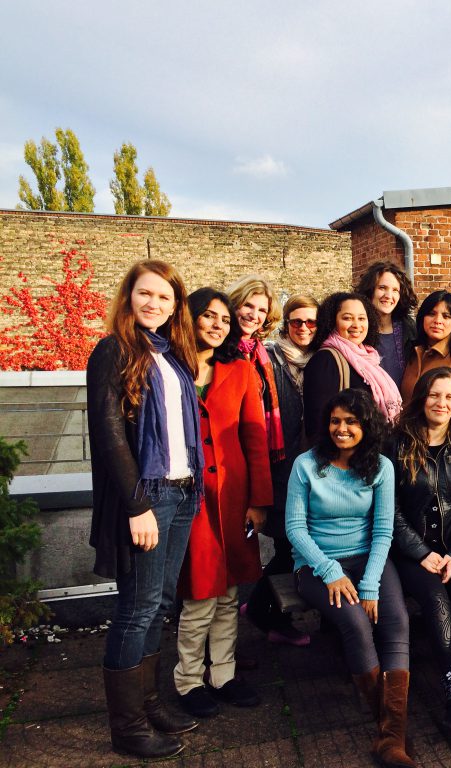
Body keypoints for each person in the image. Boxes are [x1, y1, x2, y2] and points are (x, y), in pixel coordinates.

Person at [87, 260, 202, 758]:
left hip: (180, 491)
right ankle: (127, 727)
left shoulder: (172, 355)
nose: (154, 304)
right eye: (145, 294)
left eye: (164, 297)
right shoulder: (113, 350)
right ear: (128, 296)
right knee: (136, 609)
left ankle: (150, 703)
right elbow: (109, 435)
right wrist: (137, 506)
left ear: (175, 306)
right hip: (147, 496)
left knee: (160, 604)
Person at [287, 389, 415, 768]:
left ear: (366, 426)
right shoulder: (306, 464)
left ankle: (390, 738)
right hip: (314, 563)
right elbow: (295, 528)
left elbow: (382, 531)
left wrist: (370, 583)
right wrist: (330, 572)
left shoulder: (380, 467)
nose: (341, 429)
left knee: (396, 620)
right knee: (357, 623)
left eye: (352, 422)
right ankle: (392, 731)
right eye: (335, 421)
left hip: (368, 558)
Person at [175, 288, 272, 717]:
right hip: (189, 500)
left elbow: (255, 437)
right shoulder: (169, 369)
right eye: (208, 317)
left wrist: (259, 500)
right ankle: (188, 680)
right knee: (199, 593)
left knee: (230, 592)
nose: (217, 325)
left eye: (223, 320)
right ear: (190, 319)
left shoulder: (239, 370)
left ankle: (224, 674)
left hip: (233, 498)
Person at [390, 368, 451, 738]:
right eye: (434, 395)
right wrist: (420, 552)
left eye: (449, 397)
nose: (442, 403)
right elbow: (390, 510)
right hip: (411, 553)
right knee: (437, 605)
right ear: (421, 398)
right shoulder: (397, 442)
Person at [242, 295, 319, 646]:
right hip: (279, 471)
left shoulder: (322, 360)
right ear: (286, 324)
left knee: (293, 547)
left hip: (312, 474)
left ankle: (260, 605)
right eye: (296, 322)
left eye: (311, 322)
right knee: (288, 547)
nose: (304, 329)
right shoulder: (268, 359)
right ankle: (263, 611)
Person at [303, 292, 402, 438]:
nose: (356, 325)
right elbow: (318, 424)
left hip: (373, 453)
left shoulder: (369, 359)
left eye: (362, 318)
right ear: (332, 322)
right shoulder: (325, 360)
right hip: (346, 457)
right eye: (347, 318)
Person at [400, 290, 451, 424]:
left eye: (446, 316)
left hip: (446, 441)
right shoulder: (413, 353)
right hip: (408, 438)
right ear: (422, 318)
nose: (437, 321)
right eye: (431, 314)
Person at [227, 275, 286, 464]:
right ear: (234, 304)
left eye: (262, 310)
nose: (254, 315)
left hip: (257, 446)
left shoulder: (260, 355)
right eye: (248, 305)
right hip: (229, 447)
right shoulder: (220, 348)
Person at [355, 261, 419, 387]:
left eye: (395, 290)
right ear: (370, 290)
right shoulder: (357, 329)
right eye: (382, 288)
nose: (388, 296)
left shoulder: (409, 328)